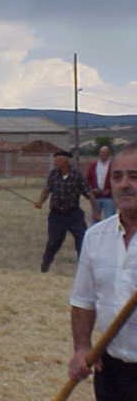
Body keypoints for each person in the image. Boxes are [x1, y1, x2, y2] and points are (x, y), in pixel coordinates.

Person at [67, 144, 137, 400]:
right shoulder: (96, 236)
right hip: (111, 368)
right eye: (117, 177)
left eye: (134, 176)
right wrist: (82, 347)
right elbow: (83, 300)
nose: (124, 184)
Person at [34, 150, 101, 272]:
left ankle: (84, 268)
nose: (55, 162)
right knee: (54, 242)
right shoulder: (53, 174)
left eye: (58, 160)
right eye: (55, 160)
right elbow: (47, 190)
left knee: (82, 240)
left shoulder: (77, 175)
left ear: (66, 161)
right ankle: (45, 264)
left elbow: (89, 194)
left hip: (73, 214)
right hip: (56, 215)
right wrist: (40, 202)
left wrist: (96, 211)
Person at [86, 145, 116, 220]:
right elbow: (87, 179)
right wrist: (92, 189)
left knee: (110, 219)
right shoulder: (93, 166)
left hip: (109, 198)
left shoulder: (113, 166)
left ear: (109, 154)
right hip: (96, 197)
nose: (103, 154)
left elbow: (117, 180)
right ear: (99, 153)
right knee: (95, 220)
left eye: (105, 153)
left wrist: (110, 190)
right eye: (101, 152)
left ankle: (110, 232)